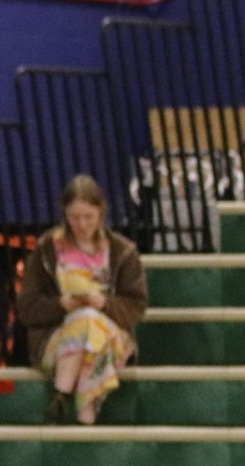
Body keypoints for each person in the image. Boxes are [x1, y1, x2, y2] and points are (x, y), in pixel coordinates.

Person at [14, 175, 148, 425]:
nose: (82, 224)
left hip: (111, 336)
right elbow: (26, 308)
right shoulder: (46, 249)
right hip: (57, 338)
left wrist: (105, 304)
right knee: (84, 322)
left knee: (90, 321)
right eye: (74, 217)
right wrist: (60, 305)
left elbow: (136, 307)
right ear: (64, 214)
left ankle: (63, 394)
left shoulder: (123, 252)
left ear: (101, 212)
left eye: (88, 217)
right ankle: (86, 415)